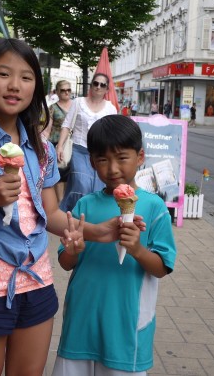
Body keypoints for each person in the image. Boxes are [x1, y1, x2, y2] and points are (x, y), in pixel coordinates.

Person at [0, 38, 140, 375]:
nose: (14, 86)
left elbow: (50, 214)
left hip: (36, 280)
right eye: (3, 73)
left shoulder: (42, 150)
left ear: (36, 87)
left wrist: (99, 231)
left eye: (26, 77)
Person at [51, 115, 177, 375]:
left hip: (127, 326)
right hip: (81, 321)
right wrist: (73, 252)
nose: (113, 169)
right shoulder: (84, 205)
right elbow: (65, 262)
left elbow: (162, 268)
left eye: (122, 158)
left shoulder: (155, 207)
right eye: (102, 160)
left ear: (140, 156)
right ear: (91, 162)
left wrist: (138, 250)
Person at [56, 73, 118, 212]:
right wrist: (60, 146)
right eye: (95, 83)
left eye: (102, 85)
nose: (98, 87)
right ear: (91, 86)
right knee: (81, 183)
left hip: (101, 153)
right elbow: (66, 125)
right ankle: (75, 212)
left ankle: (91, 215)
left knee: (97, 187)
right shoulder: (78, 102)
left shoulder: (110, 108)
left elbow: (114, 131)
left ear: (107, 89)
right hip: (80, 149)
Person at [42, 80, 73, 201]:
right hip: (57, 144)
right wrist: (44, 142)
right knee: (61, 174)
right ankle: (60, 202)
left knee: (72, 175)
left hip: (74, 144)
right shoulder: (52, 108)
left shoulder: (76, 106)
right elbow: (47, 128)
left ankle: (68, 200)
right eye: (63, 90)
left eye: (68, 90)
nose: (66, 92)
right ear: (57, 92)